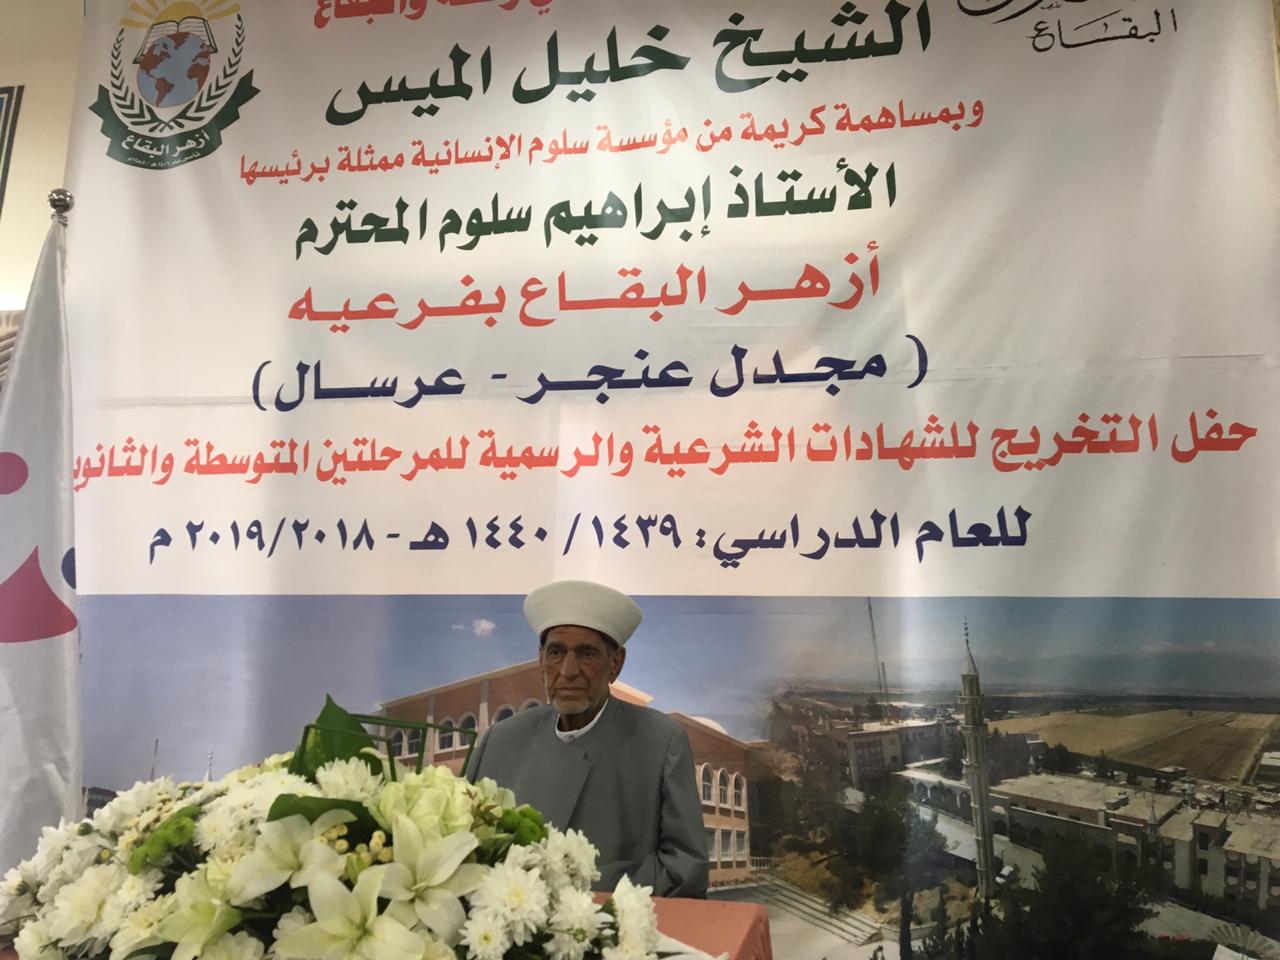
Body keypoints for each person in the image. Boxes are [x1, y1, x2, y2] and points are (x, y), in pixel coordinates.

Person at [464, 579, 709, 897]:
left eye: (586, 654)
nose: (568, 671)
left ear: (615, 663)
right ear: (541, 659)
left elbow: (684, 872)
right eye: (556, 652)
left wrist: (573, 895)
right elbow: (461, 847)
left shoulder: (661, 743)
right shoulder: (500, 741)